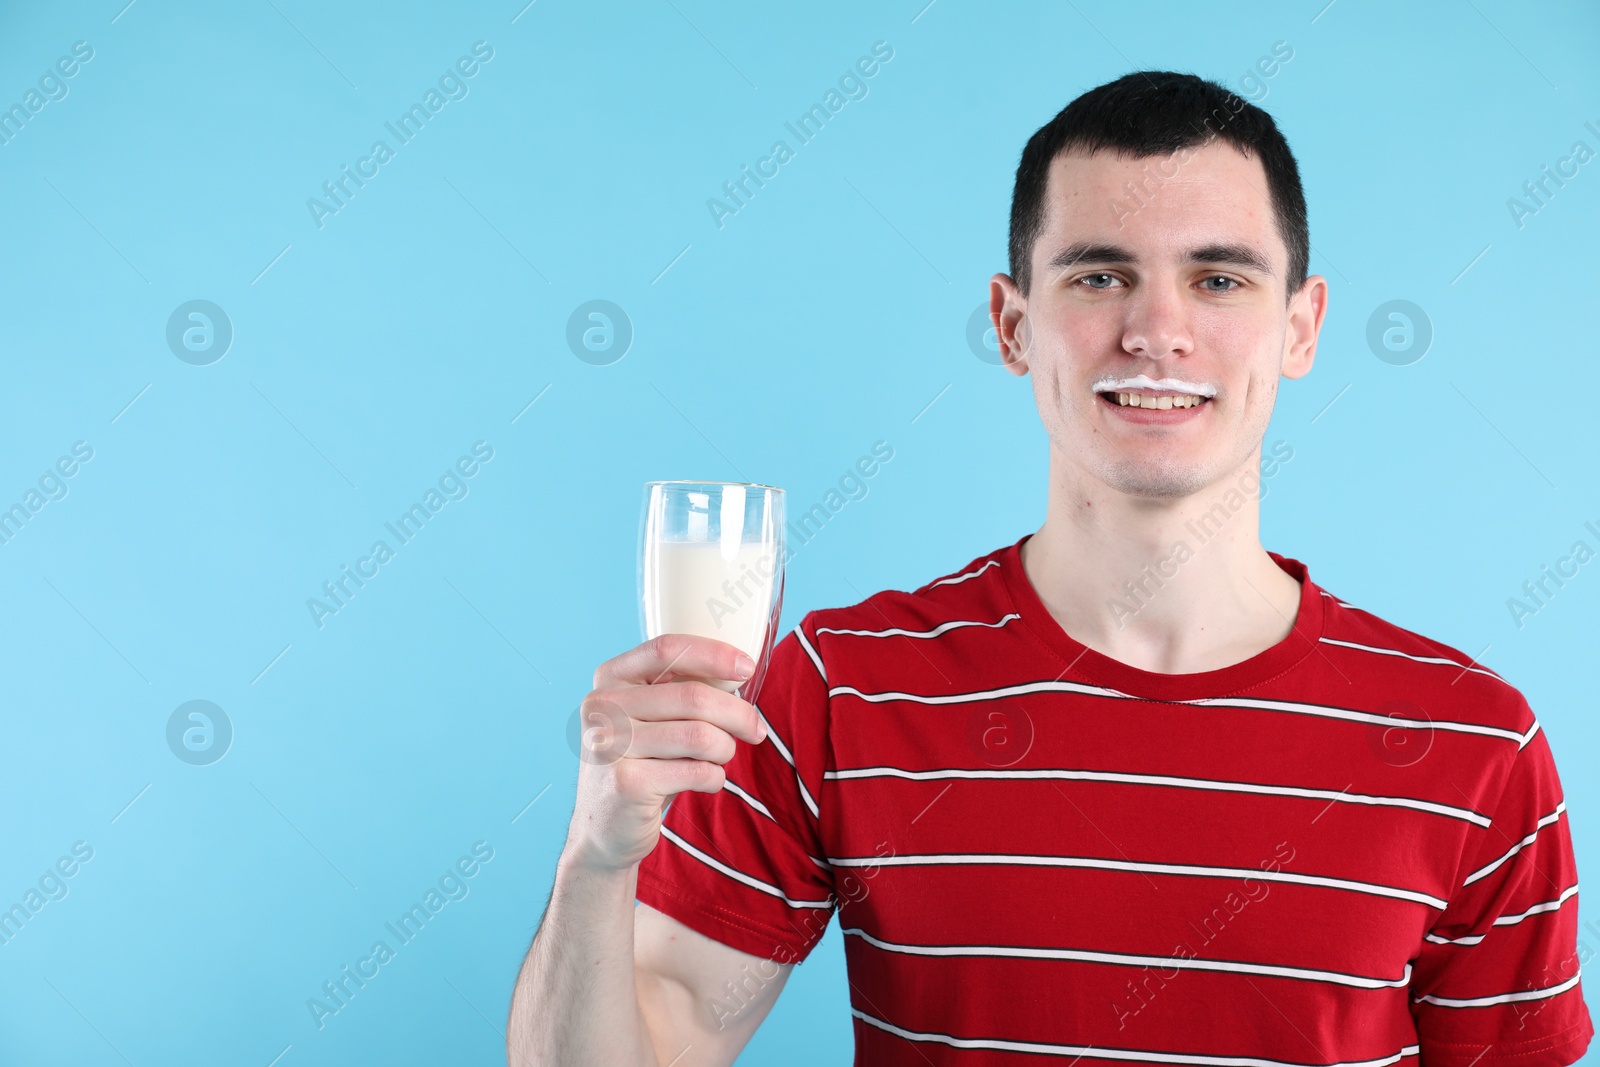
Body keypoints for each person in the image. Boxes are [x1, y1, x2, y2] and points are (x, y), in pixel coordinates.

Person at [507, 71, 1593, 1066]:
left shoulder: (1472, 741)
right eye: (1099, 274)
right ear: (1013, 323)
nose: (1156, 330)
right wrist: (594, 858)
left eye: (1218, 277)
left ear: (1299, 327)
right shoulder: (843, 685)